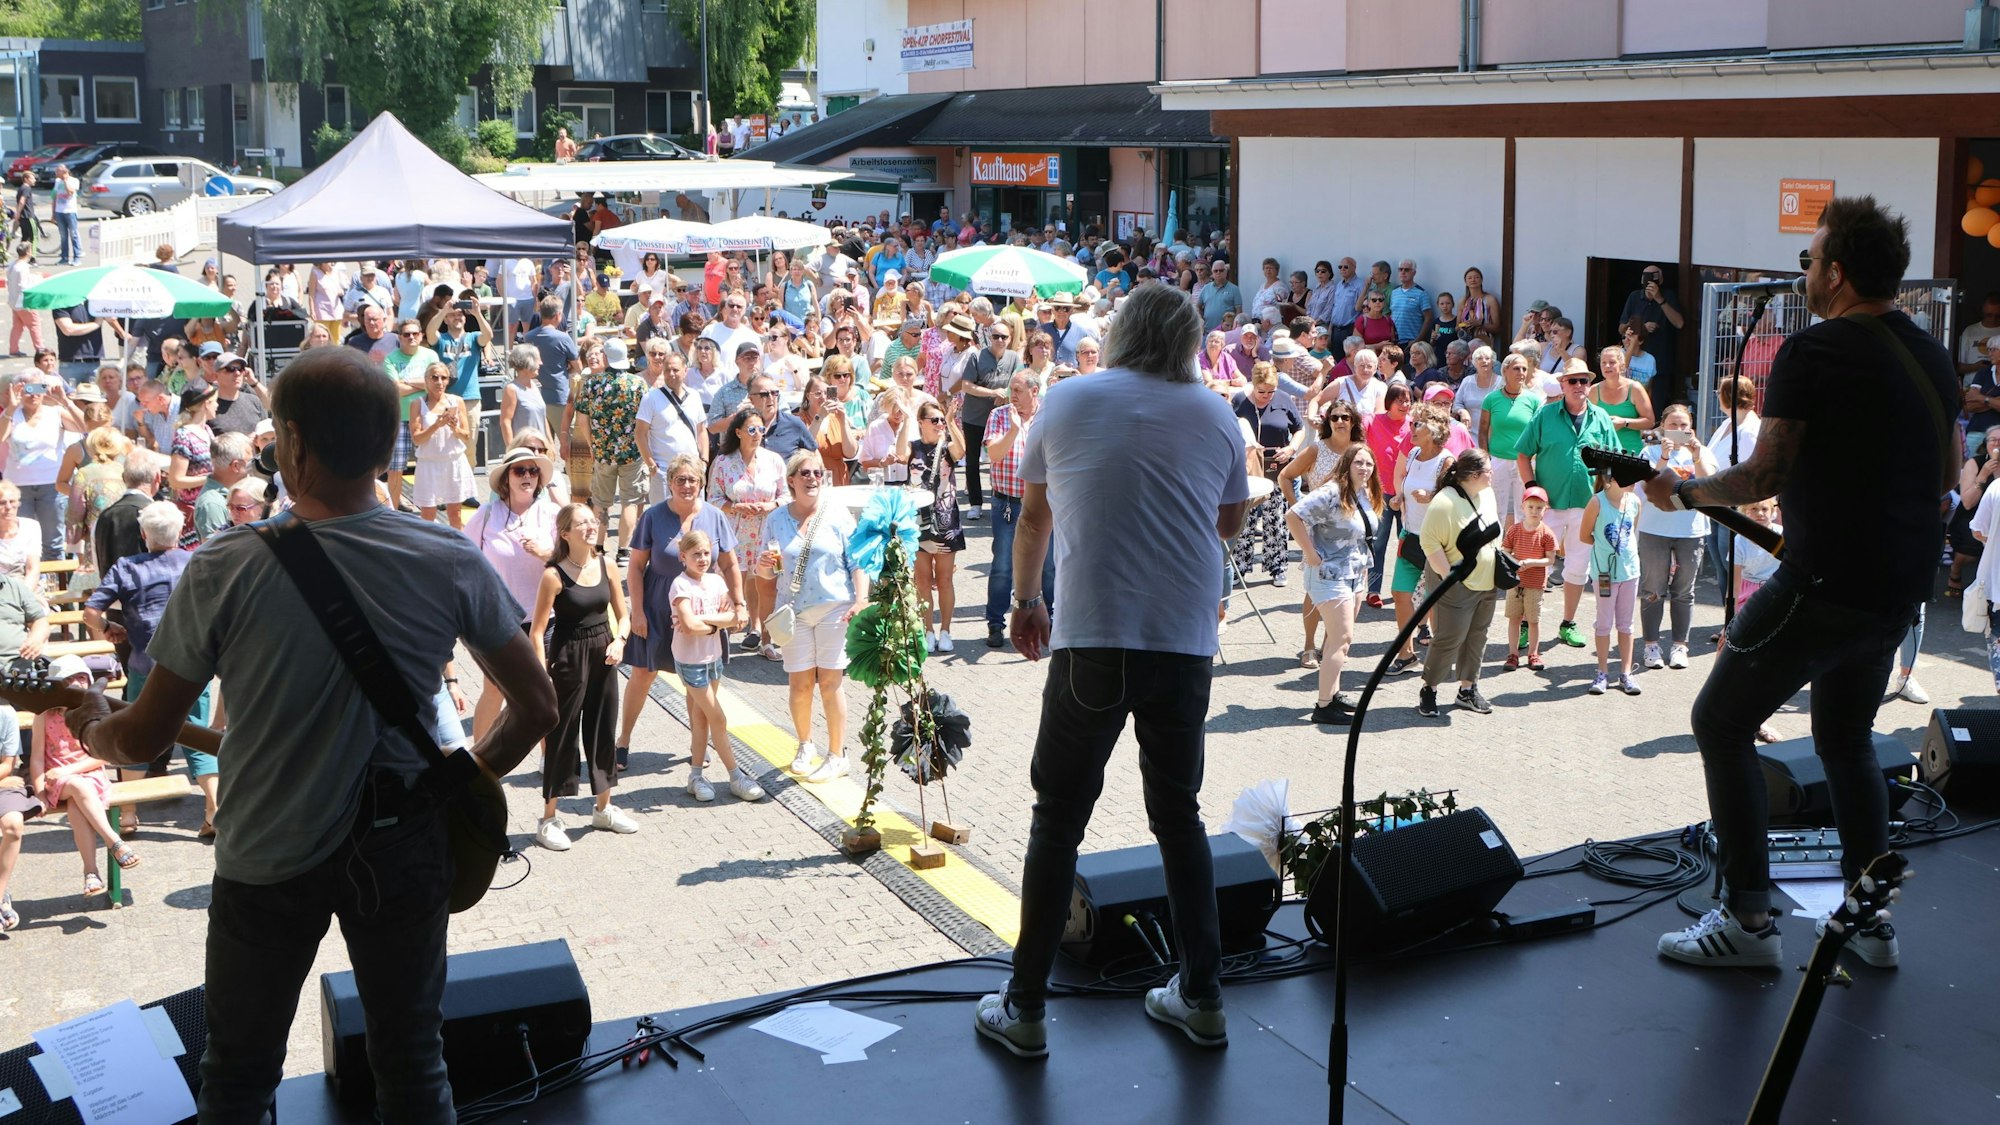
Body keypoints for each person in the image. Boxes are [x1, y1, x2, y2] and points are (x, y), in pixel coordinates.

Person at [70, 347, 557, 1120]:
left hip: (265, 850)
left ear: (291, 444)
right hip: (401, 840)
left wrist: (89, 723)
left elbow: (143, 738)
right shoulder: (445, 555)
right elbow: (538, 706)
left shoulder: (225, 563)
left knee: (236, 1072)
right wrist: (461, 780)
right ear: (389, 444)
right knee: (413, 1062)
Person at [1649, 195, 1953, 970]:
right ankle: (1868, 923)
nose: (1806, 272)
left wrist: (1681, 491)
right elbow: (1946, 472)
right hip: (1897, 589)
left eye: (1810, 260)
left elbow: (1762, 472)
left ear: (1838, 272)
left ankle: (1747, 920)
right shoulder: (1931, 355)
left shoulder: (1812, 353)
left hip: (1823, 583)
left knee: (1720, 721)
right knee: (1846, 737)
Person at [975, 283, 1247, 1059]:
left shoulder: (1068, 400)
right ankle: (1202, 995)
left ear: (1122, 333)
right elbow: (1226, 521)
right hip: (1184, 641)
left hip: (1093, 636)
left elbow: (1033, 515)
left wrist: (1027, 600)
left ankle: (1024, 1006)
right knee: (1179, 815)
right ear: (1191, 341)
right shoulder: (1217, 413)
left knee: (1057, 819)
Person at [84, 500, 219, 831]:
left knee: (135, 732)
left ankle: (128, 813)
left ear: (144, 533)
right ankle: (214, 811)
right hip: (194, 664)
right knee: (197, 734)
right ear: (179, 531)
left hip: (147, 663)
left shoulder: (127, 567)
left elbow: (90, 612)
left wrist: (105, 628)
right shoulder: (198, 561)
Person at [528, 503, 636, 850]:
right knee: (562, 737)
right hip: (568, 657)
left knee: (603, 730)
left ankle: (603, 809)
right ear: (565, 533)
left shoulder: (606, 565)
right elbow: (537, 630)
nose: (591, 527)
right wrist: (542, 673)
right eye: (582, 523)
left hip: (604, 652)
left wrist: (620, 641)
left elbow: (624, 615)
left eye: (593, 521)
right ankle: (548, 819)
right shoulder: (553, 575)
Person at [758, 451, 867, 784]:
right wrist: (764, 567)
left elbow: (857, 560)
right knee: (800, 684)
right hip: (795, 611)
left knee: (831, 683)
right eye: (805, 473)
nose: (812, 479)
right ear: (791, 480)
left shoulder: (837, 515)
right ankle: (805, 745)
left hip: (836, 606)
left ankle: (837, 754)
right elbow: (768, 571)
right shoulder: (776, 519)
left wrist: (861, 599)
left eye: (818, 473)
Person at [1515, 357, 1620, 649]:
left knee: (1577, 568)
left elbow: (1612, 462)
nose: (1578, 386)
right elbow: (1523, 454)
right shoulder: (1545, 415)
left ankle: (1567, 623)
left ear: (1589, 384)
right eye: (1572, 380)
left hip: (1587, 506)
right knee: (1536, 567)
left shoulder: (1600, 418)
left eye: (1583, 380)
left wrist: (1609, 498)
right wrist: (1531, 487)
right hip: (1547, 507)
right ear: (1562, 384)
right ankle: (1525, 623)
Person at [666, 527, 764, 801]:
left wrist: (706, 623)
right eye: (696, 554)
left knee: (702, 718)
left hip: (713, 658)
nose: (702, 559)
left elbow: (733, 618)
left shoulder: (717, 582)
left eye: (706, 553)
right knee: (718, 718)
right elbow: (688, 624)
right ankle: (736, 775)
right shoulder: (680, 584)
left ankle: (695, 775)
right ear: (683, 556)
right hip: (690, 662)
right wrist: (716, 622)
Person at [1288, 445, 1381, 724]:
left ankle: (1334, 692)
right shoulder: (1331, 491)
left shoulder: (1363, 492)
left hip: (1354, 575)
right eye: (1358, 463)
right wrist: (1310, 553)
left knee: (1339, 641)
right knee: (1341, 639)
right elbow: (1293, 516)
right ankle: (1324, 706)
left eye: (1369, 463)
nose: (1364, 468)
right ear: (1347, 464)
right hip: (1329, 576)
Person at [32, 653, 137, 898]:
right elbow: (36, 757)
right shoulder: (44, 715)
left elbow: (103, 755)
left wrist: (70, 770)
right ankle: (114, 843)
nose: (78, 683)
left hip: (88, 775)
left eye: (82, 677)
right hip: (56, 779)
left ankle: (91, 873)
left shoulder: (95, 711)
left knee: (77, 807)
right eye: (70, 680)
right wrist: (39, 792)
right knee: (78, 787)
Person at [1413, 446, 1498, 718]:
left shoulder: (1488, 494)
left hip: (1487, 581)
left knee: (1477, 636)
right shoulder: (1444, 502)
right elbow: (1428, 541)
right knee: (1449, 638)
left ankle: (1467, 689)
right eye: (1488, 469)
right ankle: (1430, 688)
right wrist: (1449, 576)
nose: (1492, 473)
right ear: (1473, 474)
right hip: (1458, 585)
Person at [1636, 407, 1714, 672]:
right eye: (1673, 424)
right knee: (1652, 590)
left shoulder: (1701, 451)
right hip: (1654, 528)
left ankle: (1680, 645)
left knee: (1684, 591)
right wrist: (1664, 458)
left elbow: (1709, 487)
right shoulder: (1650, 452)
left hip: (1690, 530)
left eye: (1684, 425)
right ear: (1663, 426)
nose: (1679, 430)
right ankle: (1651, 646)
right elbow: (1645, 488)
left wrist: (1697, 456)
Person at [709, 406, 790, 656]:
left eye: (761, 429)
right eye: (751, 429)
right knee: (736, 583)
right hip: (736, 532)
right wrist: (736, 506)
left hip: (770, 534)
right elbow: (712, 499)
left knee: (769, 585)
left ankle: (766, 638)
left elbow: (786, 495)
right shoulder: (723, 462)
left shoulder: (773, 460)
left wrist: (771, 505)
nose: (757, 434)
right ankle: (723, 635)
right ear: (739, 432)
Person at [899, 397, 967, 652]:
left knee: (946, 579)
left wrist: (951, 421)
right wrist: (906, 419)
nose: (939, 424)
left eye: (941, 420)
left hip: (946, 520)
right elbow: (898, 455)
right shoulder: (913, 447)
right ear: (921, 423)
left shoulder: (947, 446)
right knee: (922, 580)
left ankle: (946, 630)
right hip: (917, 521)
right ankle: (927, 630)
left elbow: (961, 451)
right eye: (935, 420)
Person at [1230, 365, 1302, 588]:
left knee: (1276, 519)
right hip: (1247, 468)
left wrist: (1290, 449)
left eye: (1271, 392)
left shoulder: (1283, 399)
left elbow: (1299, 429)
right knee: (1245, 519)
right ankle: (1238, 567)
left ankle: (1277, 567)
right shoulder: (1239, 401)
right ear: (1253, 385)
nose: (1267, 397)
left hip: (1276, 467)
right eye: (1262, 392)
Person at [1581, 469, 1643, 697]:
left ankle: (1626, 673)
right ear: (1613, 480)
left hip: (1630, 572)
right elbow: (1584, 535)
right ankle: (1602, 672)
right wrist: (1604, 551)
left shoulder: (1634, 501)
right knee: (1604, 623)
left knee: (1626, 625)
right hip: (1604, 574)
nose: (1634, 483)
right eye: (1629, 478)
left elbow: (1631, 533)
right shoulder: (1597, 502)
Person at [409, 362, 476, 527]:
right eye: (434, 377)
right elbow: (417, 439)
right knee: (428, 515)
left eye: (443, 378)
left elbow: (466, 436)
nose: (439, 382)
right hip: (429, 464)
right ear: (426, 380)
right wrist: (436, 425)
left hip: (454, 463)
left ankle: (457, 550)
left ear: (448, 381)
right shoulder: (418, 404)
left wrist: (455, 428)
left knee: (455, 514)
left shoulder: (456, 401)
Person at [1501, 487, 1559, 671]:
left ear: (1545, 509)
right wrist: (1515, 562)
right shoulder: (1514, 530)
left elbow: (1550, 559)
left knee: (1533, 620)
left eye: (1539, 507)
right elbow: (1504, 551)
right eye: (1531, 506)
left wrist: (1532, 562)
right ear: (1523, 507)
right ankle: (1513, 654)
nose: (1534, 511)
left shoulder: (1547, 533)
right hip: (1515, 583)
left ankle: (1533, 654)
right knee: (1514, 618)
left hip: (1535, 584)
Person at [1619, 265, 1684, 401]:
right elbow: (1621, 328)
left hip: (1660, 360)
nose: (1648, 281)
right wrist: (1641, 327)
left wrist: (1660, 299)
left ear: (1660, 280)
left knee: (1656, 402)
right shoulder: (1634, 297)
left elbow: (1679, 323)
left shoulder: (1668, 296)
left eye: (1652, 277)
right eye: (1645, 277)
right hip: (1635, 361)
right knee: (1631, 399)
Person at [1589, 345, 1655, 454]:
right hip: (1601, 452)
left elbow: (1650, 421)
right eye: (1603, 363)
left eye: (1612, 362)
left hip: (1631, 452)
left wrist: (1625, 422)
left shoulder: (1634, 388)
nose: (1607, 366)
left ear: (1622, 365)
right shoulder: (1594, 390)